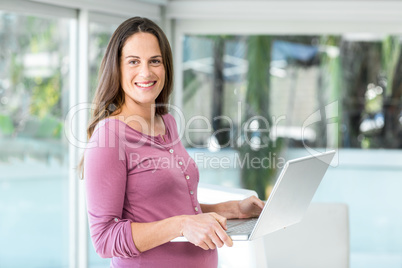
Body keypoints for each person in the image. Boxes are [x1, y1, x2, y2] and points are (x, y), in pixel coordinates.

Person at [82, 16, 265, 268]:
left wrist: (234, 209)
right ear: (117, 68)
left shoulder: (167, 123)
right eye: (133, 62)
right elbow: (104, 239)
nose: (146, 72)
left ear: (165, 67)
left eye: (154, 61)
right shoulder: (109, 137)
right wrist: (181, 225)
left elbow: (171, 207)